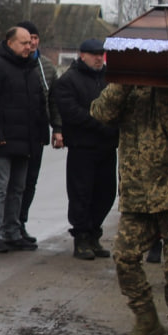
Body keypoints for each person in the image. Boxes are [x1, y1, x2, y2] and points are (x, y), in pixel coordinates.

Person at [91, 83, 168, 335]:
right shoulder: (125, 88)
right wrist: (123, 84)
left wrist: (165, 89)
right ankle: (145, 317)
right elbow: (101, 113)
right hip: (137, 192)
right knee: (124, 257)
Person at [53, 39, 119, 260]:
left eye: (101, 54)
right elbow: (72, 112)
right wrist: (102, 125)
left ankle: (94, 234)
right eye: (94, 54)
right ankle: (81, 237)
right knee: (81, 194)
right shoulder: (69, 80)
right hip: (82, 146)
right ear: (82, 55)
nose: (99, 58)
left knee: (106, 193)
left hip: (107, 146)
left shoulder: (111, 78)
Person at [0, 25, 44, 253]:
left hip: (25, 140)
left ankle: (13, 231)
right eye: (24, 43)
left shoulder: (29, 67)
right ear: (10, 43)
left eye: (30, 43)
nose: (29, 47)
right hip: (4, 140)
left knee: (18, 188)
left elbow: (37, 104)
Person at [15, 21, 62, 247]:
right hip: (16, 133)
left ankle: (21, 222)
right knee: (13, 183)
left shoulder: (47, 66)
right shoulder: (13, 64)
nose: (32, 42)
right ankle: (8, 226)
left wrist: (58, 128)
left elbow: (54, 99)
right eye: (27, 38)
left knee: (30, 182)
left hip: (38, 132)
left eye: (35, 38)